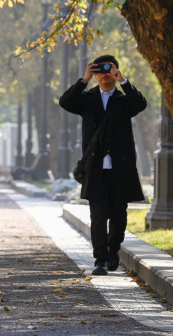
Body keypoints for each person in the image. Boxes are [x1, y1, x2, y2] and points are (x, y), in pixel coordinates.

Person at [59, 54, 147, 276]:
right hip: (96, 167)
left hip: (120, 168)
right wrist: (84, 79)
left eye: (109, 69)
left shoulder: (124, 99)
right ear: (95, 73)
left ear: (116, 70)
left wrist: (123, 80)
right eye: (100, 70)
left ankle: (113, 250)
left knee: (119, 215)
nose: (104, 73)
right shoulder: (87, 98)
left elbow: (141, 104)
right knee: (98, 215)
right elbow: (65, 102)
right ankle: (100, 259)